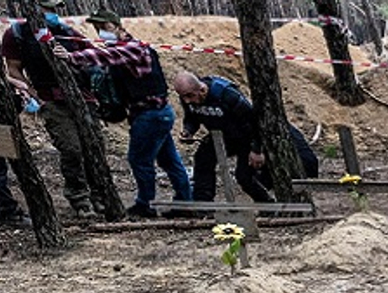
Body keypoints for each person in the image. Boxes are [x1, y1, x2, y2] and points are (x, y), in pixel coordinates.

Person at [53, 10, 190, 218]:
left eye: (105, 27)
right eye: (98, 28)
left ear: (118, 27)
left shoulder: (134, 49)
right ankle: (185, 202)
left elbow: (105, 56)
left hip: (150, 115)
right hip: (153, 114)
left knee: (140, 160)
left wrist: (71, 57)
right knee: (169, 161)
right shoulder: (123, 48)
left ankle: (146, 204)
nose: (101, 32)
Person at [2, 0, 98, 217]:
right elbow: (13, 69)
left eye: (54, 9)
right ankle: (79, 198)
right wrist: (33, 94)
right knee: (71, 148)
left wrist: (73, 57)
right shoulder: (17, 34)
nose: (51, 13)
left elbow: (93, 56)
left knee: (92, 146)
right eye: (47, 9)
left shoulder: (66, 31)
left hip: (83, 98)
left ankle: (100, 195)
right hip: (51, 100)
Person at [171, 72, 317, 202]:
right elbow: (192, 118)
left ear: (202, 90)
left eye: (190, 96)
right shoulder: (188, 97)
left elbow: (254, 122)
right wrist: (188, 130)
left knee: (244, 175)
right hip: (222, 135)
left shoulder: (226, 94)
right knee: (203, 158)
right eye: (183, 97)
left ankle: (266, 203)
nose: (187, 101)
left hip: (246, 136)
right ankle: (203, 202)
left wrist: (257, 149)